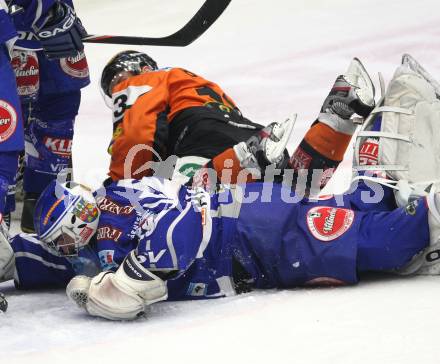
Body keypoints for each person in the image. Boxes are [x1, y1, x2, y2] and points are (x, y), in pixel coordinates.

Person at [100, 52, 374, 192]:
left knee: (186, 206)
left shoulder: (143, 80)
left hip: (199, 139)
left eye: (115, 82)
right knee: (292, 193)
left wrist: (120, 190)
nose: (117, 91)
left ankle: (245, 159)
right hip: (244, 131)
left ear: (142, 69)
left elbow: (136, 136)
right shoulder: (190, 83)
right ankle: (336, 118)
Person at [8, 0, 90, 232]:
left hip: (49, 20)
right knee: (12, 111)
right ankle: (38, 196)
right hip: (32, 21)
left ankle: (43, 196)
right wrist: (46, 14)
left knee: (59, 102)